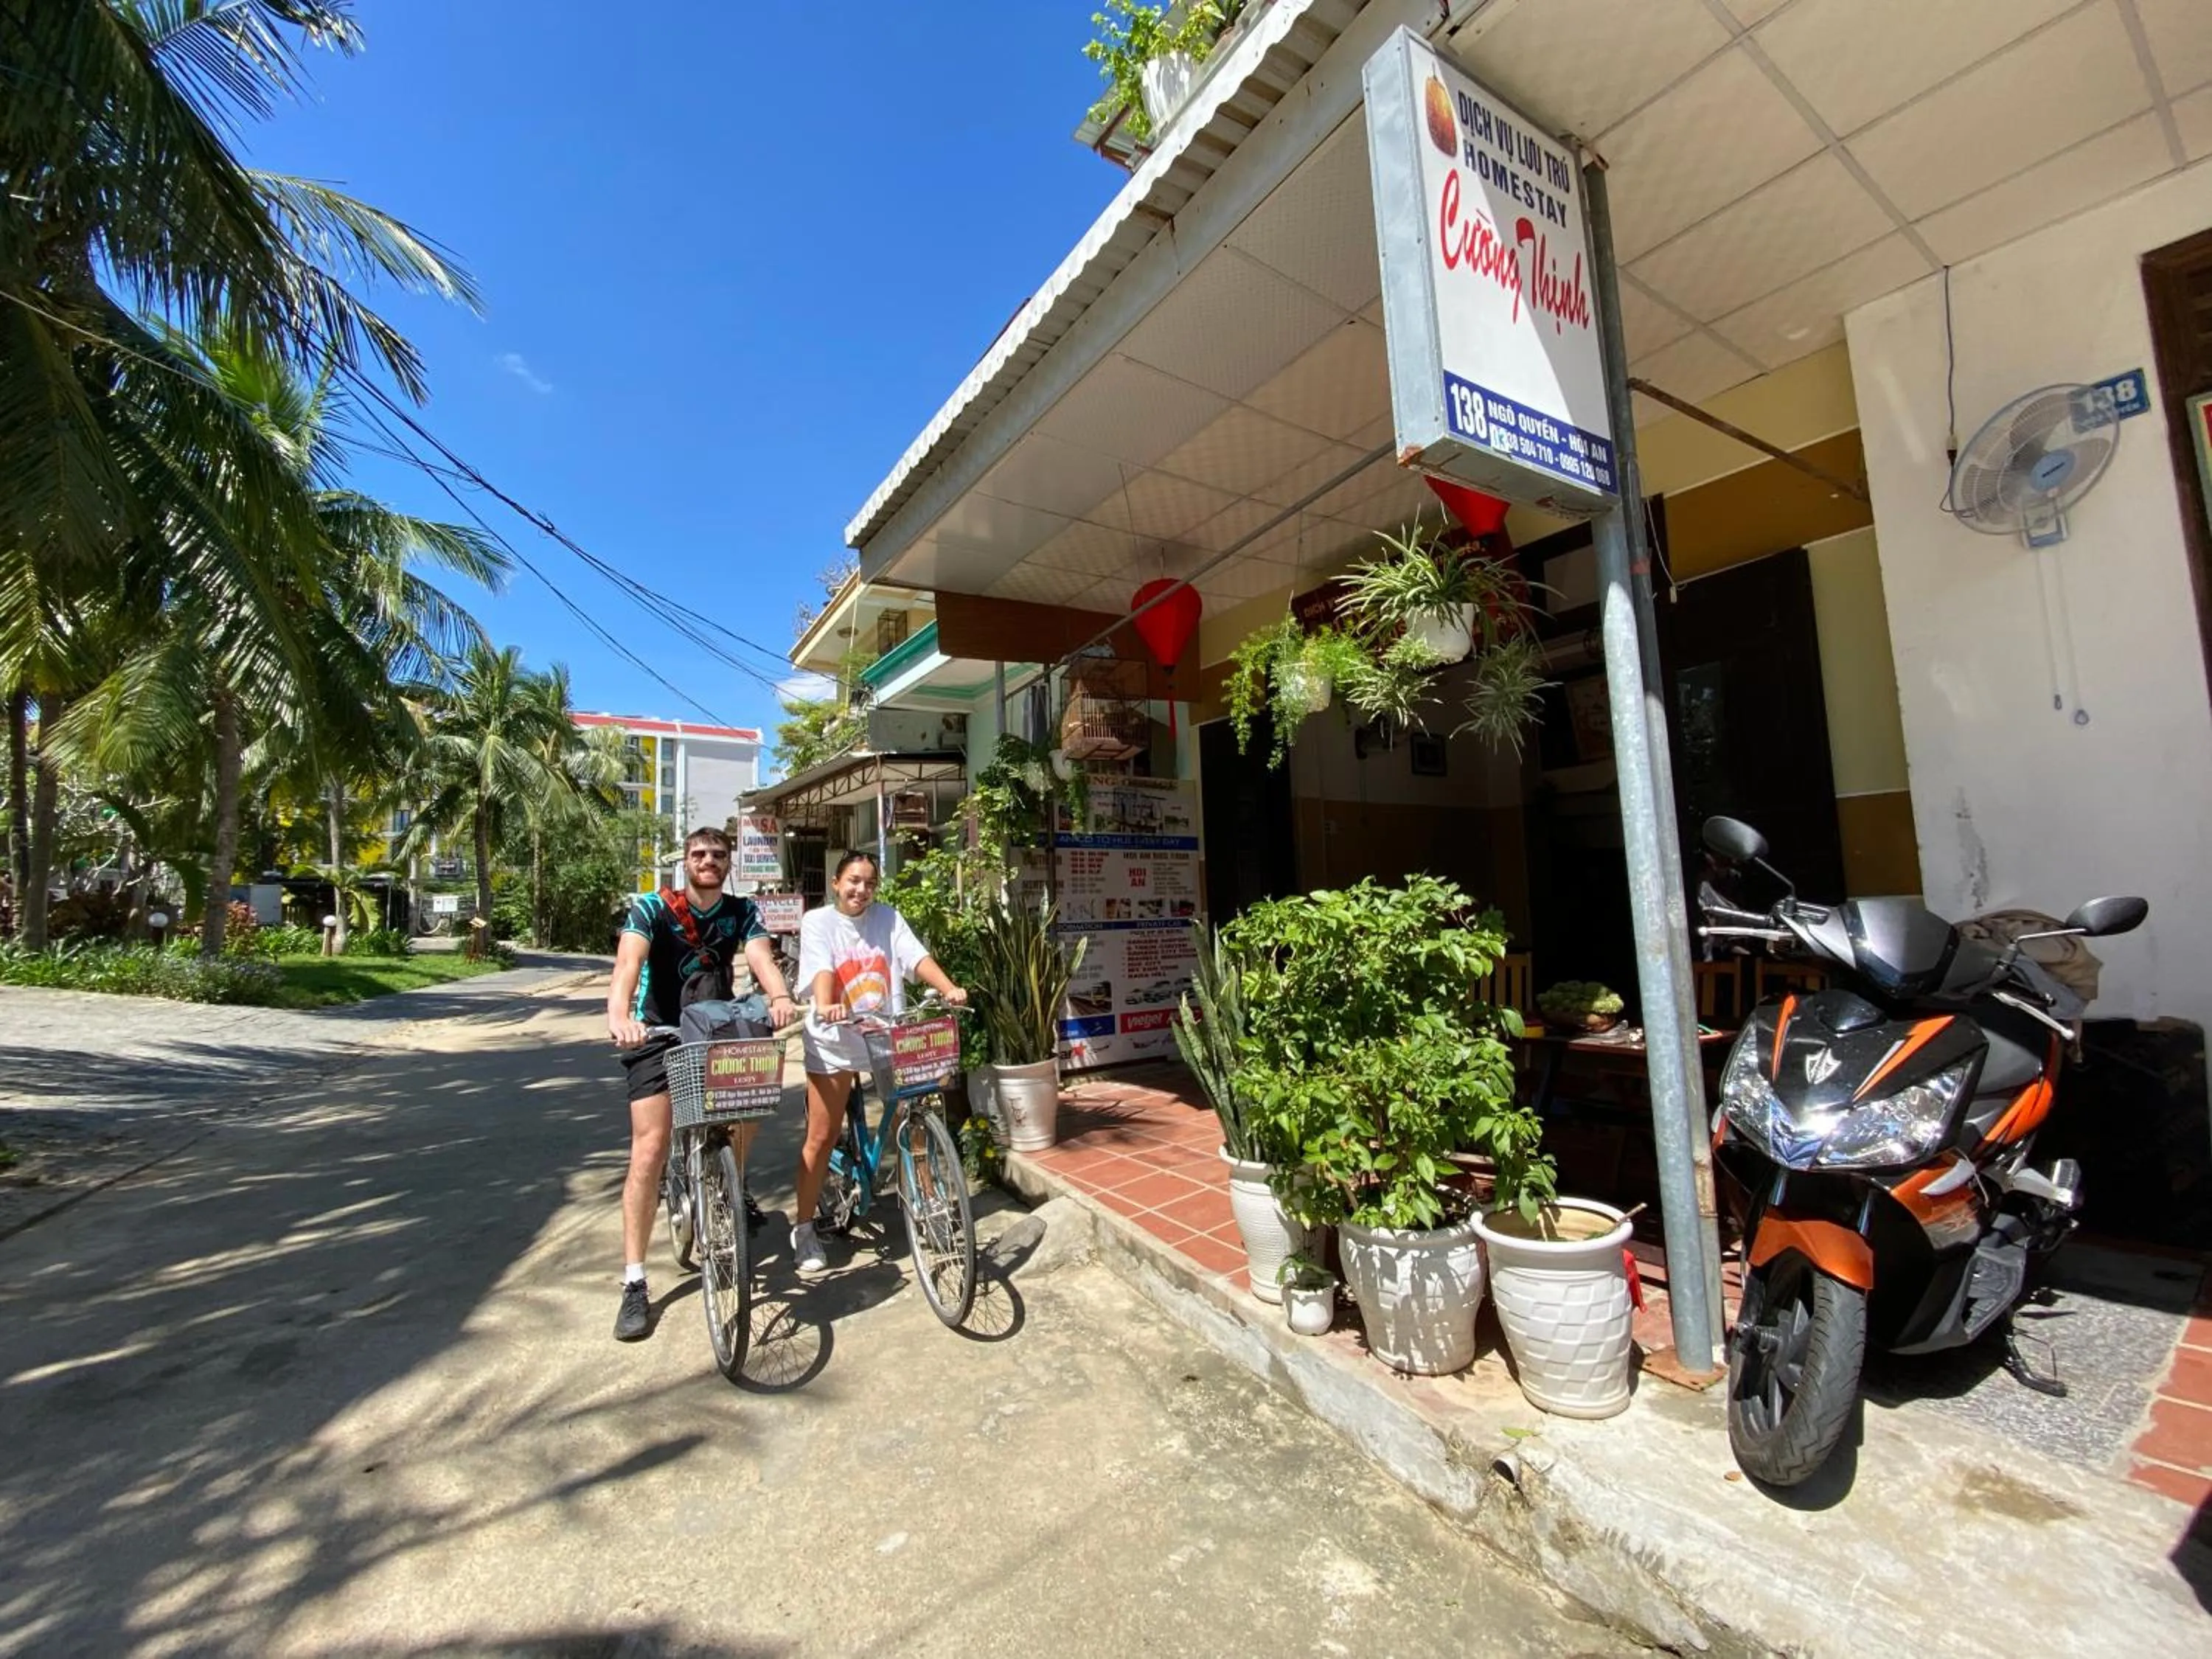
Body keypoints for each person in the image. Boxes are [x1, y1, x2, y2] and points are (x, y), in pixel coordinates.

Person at [607, 825, 796, 1342]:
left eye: (717, 854)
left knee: (753, 1099)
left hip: (715, 1026)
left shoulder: (741, 911)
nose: (708, 860)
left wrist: (778, 997)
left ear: (729, 862)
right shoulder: (653, 908)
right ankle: (635, 1281)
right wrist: (620, 1014)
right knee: (649, 1148)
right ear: (685, 862)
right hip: (657, 1031)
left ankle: (730, 1183)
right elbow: (629, 962)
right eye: (699, 854)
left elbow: (760, 957)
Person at [792, 849, 967, 1275]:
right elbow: (822, 969)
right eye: (853, 881)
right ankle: (804, 1228)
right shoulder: (818, 922)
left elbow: (914, 957)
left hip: (888, 1034)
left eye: (869, 883)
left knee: (916, 1119)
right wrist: (828, 1003)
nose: (861, 890)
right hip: (836, 1038)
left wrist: (948, 987)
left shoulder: (887, 917)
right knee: (822, 1133)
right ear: (836, 882)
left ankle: (929, 1205)